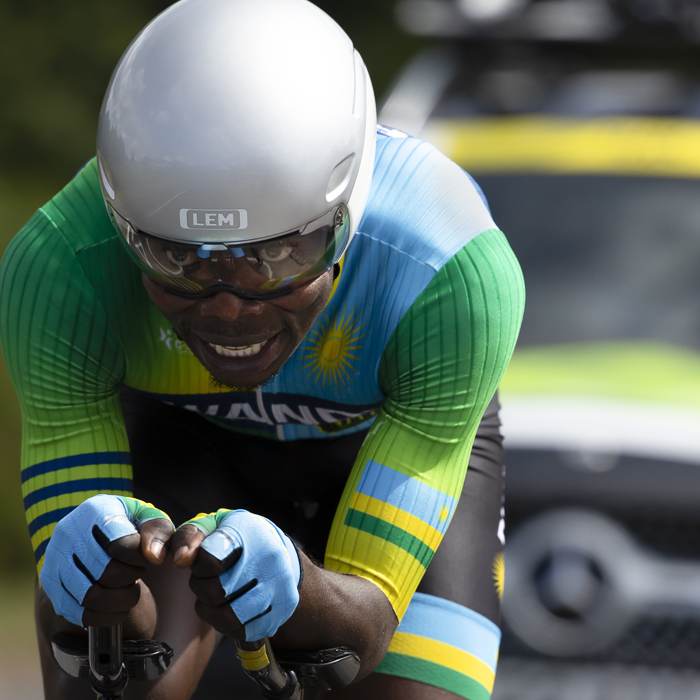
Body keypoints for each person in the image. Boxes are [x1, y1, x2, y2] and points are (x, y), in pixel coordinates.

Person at [0, 0, 524, 698]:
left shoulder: (449, 272)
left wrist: (302, 586)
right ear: (124, 223)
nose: (227, 306)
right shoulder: (62, 265)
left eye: (276, 255)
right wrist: (103, 598)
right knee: (113, 685)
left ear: (348, 217)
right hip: (181, 443)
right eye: (175, 257)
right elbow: (102, 640)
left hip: (371, 445)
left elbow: (360, 634)